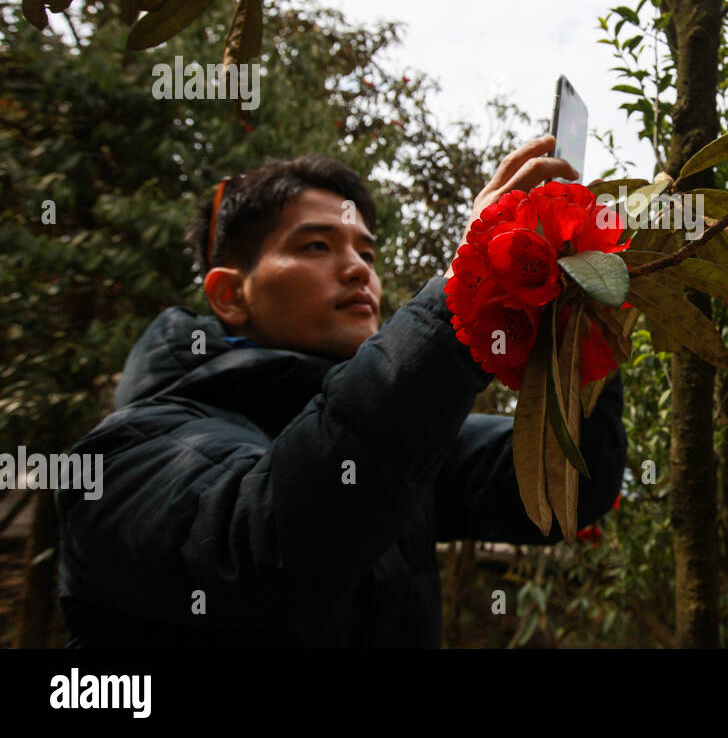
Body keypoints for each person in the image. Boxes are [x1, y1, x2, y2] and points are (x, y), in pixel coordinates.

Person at [55, 142, 628, 647]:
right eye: (315, 247)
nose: (357, 270)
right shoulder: (124, 455)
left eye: (368, 254)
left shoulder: (394, 441)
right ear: (230, 294)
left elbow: (562, 486)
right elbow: (270, 544)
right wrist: (470, 288)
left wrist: (577, 335)